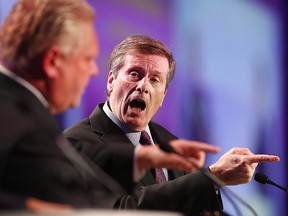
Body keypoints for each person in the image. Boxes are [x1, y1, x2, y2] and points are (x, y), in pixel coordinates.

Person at [0, 0, 219, 213]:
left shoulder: (24, 114)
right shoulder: (19, 125)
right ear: (53, 62)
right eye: (87, 59)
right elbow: (97, 205)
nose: (93, 71)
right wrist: (210, 177)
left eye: (155, 80)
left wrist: (140, 158)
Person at [64, 35, 280, 215]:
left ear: (163, 96)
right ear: (111, 80)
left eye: (155, 80)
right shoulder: (74, 143)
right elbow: (121, 210)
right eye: (134, 74)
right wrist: (211, 177)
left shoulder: (169, 141)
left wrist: (212, 186)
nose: (143, 86)